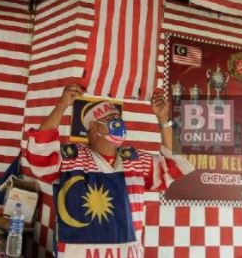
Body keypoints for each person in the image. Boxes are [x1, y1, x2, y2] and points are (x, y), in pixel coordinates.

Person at [26, 84, 194, 258]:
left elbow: (175, 167)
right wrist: (61, 105)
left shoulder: (134, 160)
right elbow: (39, 155)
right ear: (95, 127)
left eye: (119, 117)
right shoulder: (72, 158)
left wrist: (164, 120)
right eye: (111, 118)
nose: (119, 122)